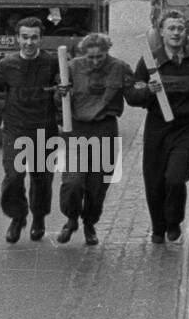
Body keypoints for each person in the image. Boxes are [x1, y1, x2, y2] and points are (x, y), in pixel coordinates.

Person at [126, 11, 189, 244]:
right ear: (161, 32)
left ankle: (173, 221)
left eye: (180, 28)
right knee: (154, 181)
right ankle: (158, 227)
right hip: (157, 127)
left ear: (186, 32)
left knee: (175, 177)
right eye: (171, 28)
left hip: (185, 127)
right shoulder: (149, 60)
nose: (176, 33)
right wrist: (147, 91)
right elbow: (132, 96)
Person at [0, 16, 60, 243]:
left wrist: (62, 92)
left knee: (41, 179)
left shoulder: (52, 63)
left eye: (34, 38)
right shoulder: (7, 64)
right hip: (15, 129)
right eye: (24, 37)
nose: (29, 43)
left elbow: (64, 88)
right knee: (13, 177)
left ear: (41, 39)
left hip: (44, 129)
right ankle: (17, 217)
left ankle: (38, 217)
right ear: (17, 39)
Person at [55, 33, 133, 245]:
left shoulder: (120, 67)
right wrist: (60, 93)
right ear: (83, 54)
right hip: (77, 129)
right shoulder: (70, 68)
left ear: (107, 51)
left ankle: (90, 223)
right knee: (73, 181)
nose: (96, 61)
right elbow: (57, 102)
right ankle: (71, 219)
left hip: (105, 129)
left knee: (98, 185)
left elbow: (134, 96)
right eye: (91, 57)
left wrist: (147, 88)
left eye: (101, 56)